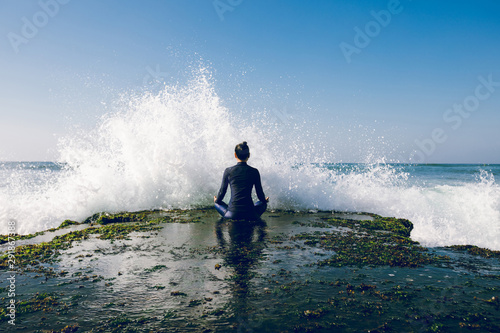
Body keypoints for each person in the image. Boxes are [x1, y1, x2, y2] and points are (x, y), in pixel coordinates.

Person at [214, 141, 269, 220]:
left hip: (232, 214)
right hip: (250, 214)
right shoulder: (254, 171)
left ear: (235, 155)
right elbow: (259, 194)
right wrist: (264, 200)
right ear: (249, 155)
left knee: (217, 203)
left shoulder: (228, 171)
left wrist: (217, 200)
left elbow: (222, 192)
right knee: (262, 203)